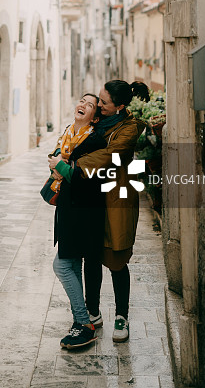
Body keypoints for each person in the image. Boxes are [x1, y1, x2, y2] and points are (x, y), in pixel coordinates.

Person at [74, 80, 146, 343]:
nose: (100, 105)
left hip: (116, 199)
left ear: (120, 106)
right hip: (92, 199)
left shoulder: (129, 129)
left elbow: (111, 155)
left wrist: (74, 164)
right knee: (91, 257)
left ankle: (122, 315)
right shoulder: (96, 123)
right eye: (100, 100)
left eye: (104, 102)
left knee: (116, 259)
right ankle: (92, 311)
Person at [47, 93, 106, 350]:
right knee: (71, 264)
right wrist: (56, 163)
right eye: (82, 101)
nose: (83, 105)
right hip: (67, 210)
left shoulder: (95, 140)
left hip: (84, 213)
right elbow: (57, 158)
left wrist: (61, 166)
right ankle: (79, 322)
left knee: (61, 266)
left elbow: (89, 180)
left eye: (90, 105)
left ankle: (85, 323)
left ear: (95, 115)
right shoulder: (68, 132)